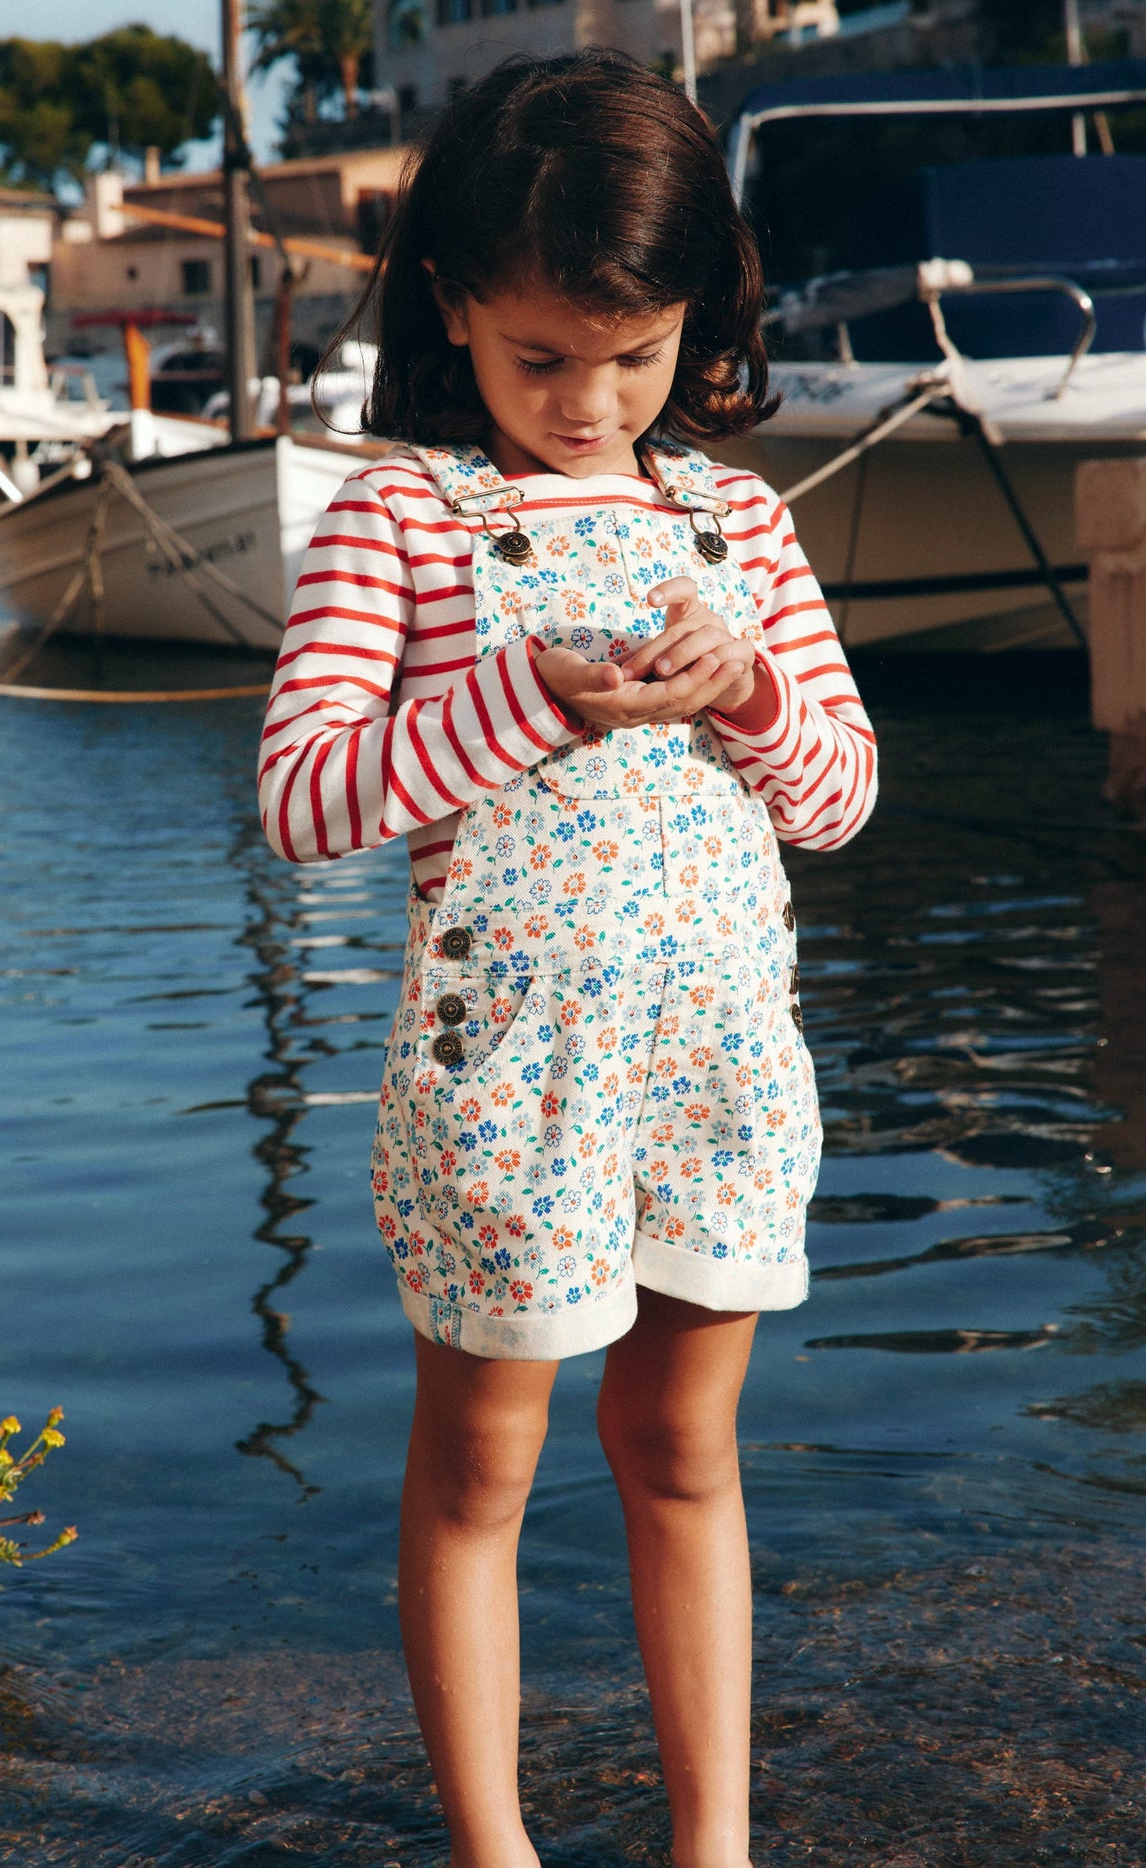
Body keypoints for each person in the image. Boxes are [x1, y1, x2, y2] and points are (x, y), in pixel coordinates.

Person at [258, 51, 877, 1868]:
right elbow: (304, 805)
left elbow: (834, 801)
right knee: (483, 1470)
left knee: (686, 1450)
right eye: (542, 359)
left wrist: (751, 684)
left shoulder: (735, 525)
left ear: (698, 315)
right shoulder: (396, 516)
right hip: (507, 1079)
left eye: (637, 353)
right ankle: (494, 1847)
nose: (591, 401)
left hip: (715, 1062)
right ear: (453, 310)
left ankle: (713, 1844)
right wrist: (516, 700)